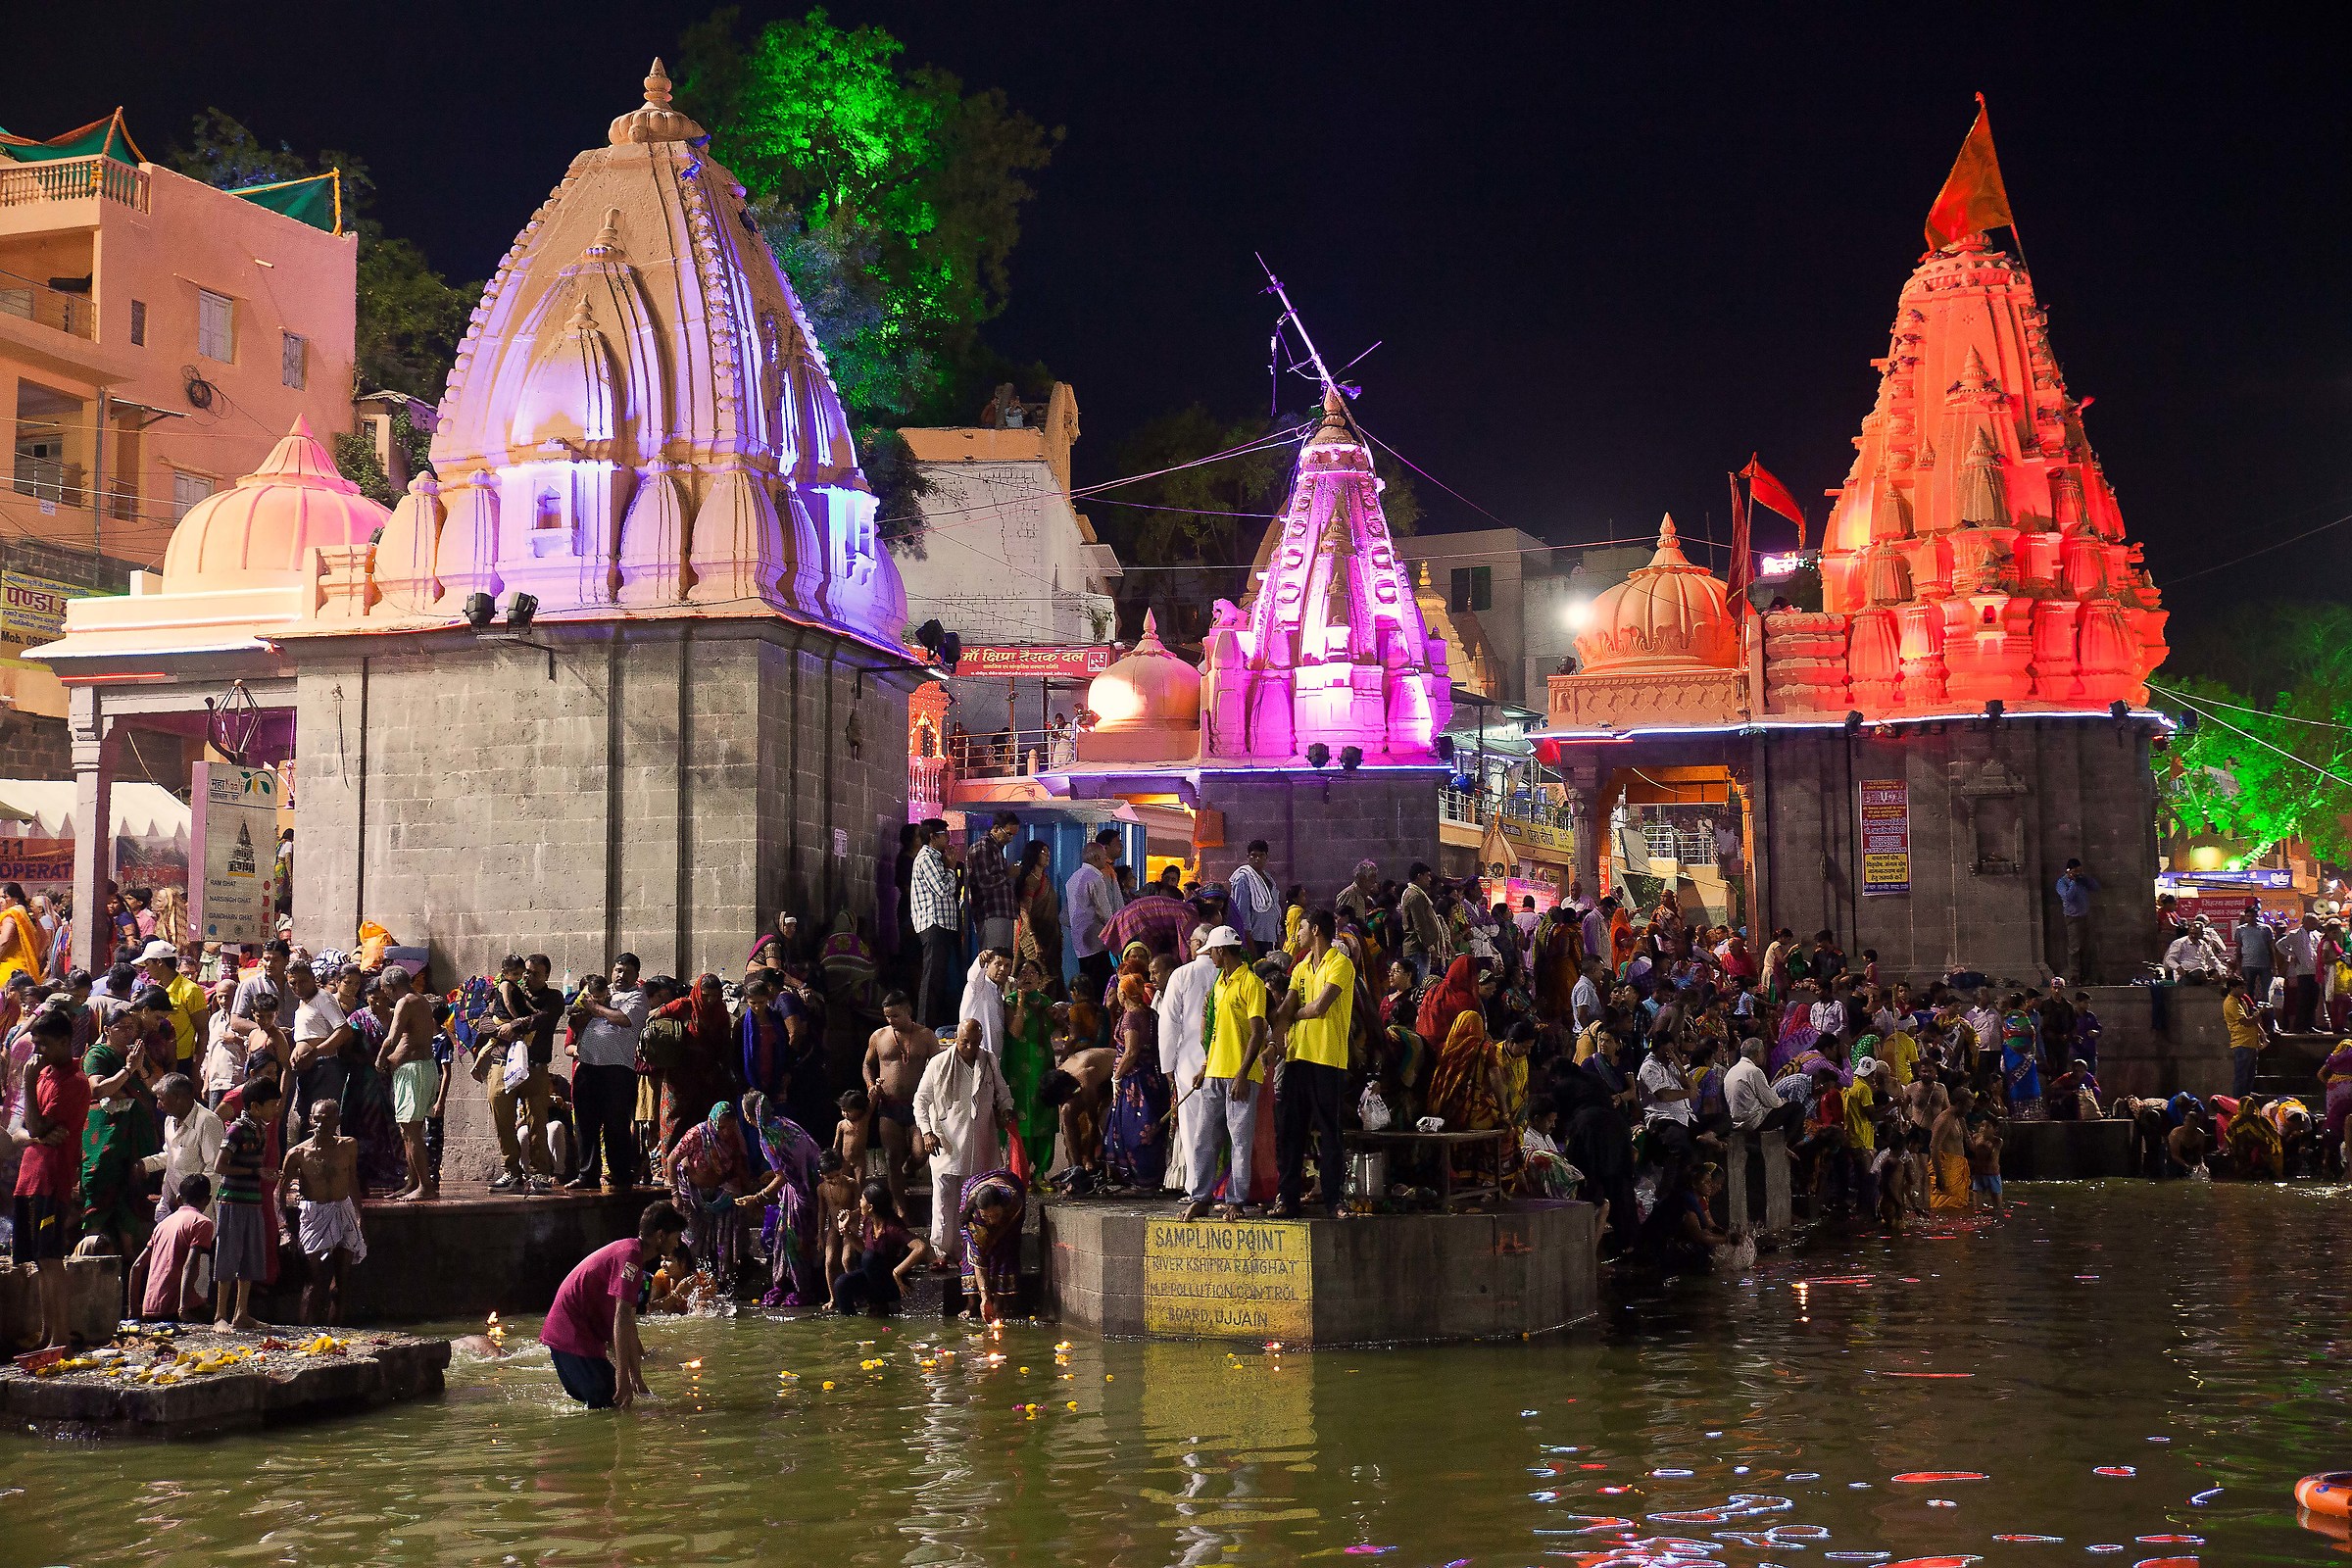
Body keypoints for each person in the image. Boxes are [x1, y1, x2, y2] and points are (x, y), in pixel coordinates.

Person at [540, 1201, 687, 1409]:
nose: (678, 1244)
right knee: (610, 1401)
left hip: (580, 1335)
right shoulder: (630, 1257)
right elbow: (622, 1316)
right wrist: (622, 1378)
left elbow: (628, 1326)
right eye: (676, 1237)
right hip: (570, 1334)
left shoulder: (632, 1255)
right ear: (660, 1235)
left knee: (615, 1403)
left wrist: (636, 1378)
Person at [10, 1010, 86, 1347]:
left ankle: (60, 1338)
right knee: (39, 1262)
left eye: (44, 1045)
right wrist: (33, 1136)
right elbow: (17, 1132)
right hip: (28, 1178)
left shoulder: (74, 1082)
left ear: (65, 1042)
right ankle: (46, 1334)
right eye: (35, 1045)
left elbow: (36, 1125)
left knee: (52, 1260)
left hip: (51, 1179)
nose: (38, 1053)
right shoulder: (45, 1075)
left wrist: (32, 1130)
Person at [911, 1018, 1016, 1266]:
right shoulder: (938, 1063)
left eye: (975, 1043)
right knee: (944, 1201)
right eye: (964, 1042)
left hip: (981, 1143)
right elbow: (921, 1101)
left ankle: (973, 1251)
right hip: (945, 1143)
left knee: (977, 1200)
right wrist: (927, 1132)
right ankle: (941, 1252)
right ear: (956, 1039)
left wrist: (1006, 1109)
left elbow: (1003, 1093)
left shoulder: (989, 1061)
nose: (970, 1047)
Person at [1183, 928, 1269, 1222]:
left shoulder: (1252, 983)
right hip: (1215, 1072)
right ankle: (1200, 1197)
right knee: (1204, 1138)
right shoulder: (1220, 983)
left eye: (1212, 952)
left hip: (1240, 1074)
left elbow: (1257, 1032)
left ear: (1222, 950)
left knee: (1240, 1140)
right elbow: (1217, 1031)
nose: (1211, 957)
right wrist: (1206, 1066)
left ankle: (1236, 1199)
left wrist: (1243, 1074)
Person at [1276, 907, 1353, 1218]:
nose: (1297, 932)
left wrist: (1292, 1014)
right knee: (1290, 1132)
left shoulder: (1341, 964)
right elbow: (1287, 1006)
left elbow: (1320, 1007)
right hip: (1297, 1057)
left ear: (1317, 930)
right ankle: (1288, 1199)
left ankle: (1335, 1201)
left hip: (1327, 1058)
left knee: (1330, 1132)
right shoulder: (1300, 967)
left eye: (1302, 927)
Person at [738, 1089, 825, 1308]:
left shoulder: (768, 1137)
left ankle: (803, 1290)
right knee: (786, 1237)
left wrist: (757, 1198)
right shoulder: (785, 1122)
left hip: (800, 1192)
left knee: (794, 1240)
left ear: (749, 1116)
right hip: (813, 1185)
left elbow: (783, 1176)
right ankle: (789, 1284)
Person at [280, 1099, 365, 1325]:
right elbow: (279, 1192)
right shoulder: (298, 1153)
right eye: (317, 1119)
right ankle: (306, 1336)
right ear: (310, 1120)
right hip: (314, 1214)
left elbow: (352, 1181)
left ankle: (338, 1336)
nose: (321, 1125)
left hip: (343, 1210)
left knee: (341, 1284)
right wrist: (283, 1228)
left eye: (328, 1120)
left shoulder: (348, 1145)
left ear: (338, 1120)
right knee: (314, 1282)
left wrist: (358, 1215)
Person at [210, 1073, 282, 1332]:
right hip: (232, 1200)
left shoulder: (260, 1130)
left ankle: (241, 1312)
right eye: (272, 1104)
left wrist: (266, 1174)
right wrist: (256, 1173)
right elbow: (221, 1166)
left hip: (253, 1201)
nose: (276, 1109)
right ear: (254, 1106)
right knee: (228, 1254)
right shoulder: (236, 1129)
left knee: (251, 1256)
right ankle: (220, 1314)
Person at [567, 956, 647, 1193]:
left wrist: (595, 1008)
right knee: (585, 1123)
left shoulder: (637, 996)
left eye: (628, 972)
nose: (621, 976)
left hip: (617, 1069)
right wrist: (583, 1010)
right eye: (618, 970)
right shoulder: (599, 990)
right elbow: (574, 1019)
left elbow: (625, 1019)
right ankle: (586, 1175)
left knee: (616, 1125)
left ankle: (621, 1175)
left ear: (636, 975)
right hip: (587, 1066)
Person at [662, 1102, 754, 1284]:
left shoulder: (735, 1136)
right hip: (692, 1194)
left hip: (721, 1192)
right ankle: (689, 1280)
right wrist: (675, 1194)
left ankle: (722, 1279)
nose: (725, 1132)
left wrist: (752, 1193)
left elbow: (739, 1163)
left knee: (725, 1238)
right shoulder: (697, 1134)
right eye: (721, 1127)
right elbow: (672, 1159)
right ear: (712, 1123)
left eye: (730, 1126)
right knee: (693, 1239)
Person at [862, 991, 936, 1207]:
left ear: (908, 1011)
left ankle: (909, 1168)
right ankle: (900, 1207)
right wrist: (870, 1084)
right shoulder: (879, 1036)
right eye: (887, 1016)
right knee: (892, 1156)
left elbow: (937, 1068)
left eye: (895, 1015)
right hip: (889, 1105)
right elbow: (867, 1064)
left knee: (920, 1154)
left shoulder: (926, 1035)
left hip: (918, 1107)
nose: (890, 1020)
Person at [379, 965, 442, 1201]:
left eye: (385, 988)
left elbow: (391, 1039)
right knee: (408, 1131)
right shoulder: (421, 1000)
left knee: (412, 1130)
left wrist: (379, 1061)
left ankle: (425, 1185)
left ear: (391, 986)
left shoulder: (404, 1002)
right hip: (423, 1067)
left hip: (413, 1070)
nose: (384, 993)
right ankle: (413, 1182)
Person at [1103, 969, 1171, 1190]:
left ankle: (1142, 1179)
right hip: (1153, 1077)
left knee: (1137, 1130)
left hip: (1137, 1083)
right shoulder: (1151, 1014)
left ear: (1123, 995)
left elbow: (1131, 1051)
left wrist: (1116, 1076)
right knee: (1151, 1126)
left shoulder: (1132, 1017)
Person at [828, 1179, 931, 1316]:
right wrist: (846, 1230)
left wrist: (897, 1272)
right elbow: (864, 1249)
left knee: (868, 1257)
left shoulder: (892, 1227)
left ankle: (880, 1304)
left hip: (889, 1281)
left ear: (870, 1207)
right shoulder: (868, 1222)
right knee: (841, 1283)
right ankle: (850, 1324)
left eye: (862, 1199)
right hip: (872, 1276)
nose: (859, 1202)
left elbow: (921, 1247)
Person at [130, 1174, 216, 1322]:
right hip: (174, 1307)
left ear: (178, 1198)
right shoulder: (202, 1223)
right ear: (207, 1200)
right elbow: (191, 1265)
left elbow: (136, 1267)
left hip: (149, 1307)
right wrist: (183, 1308)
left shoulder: (162, 1225)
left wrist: (133, 1311)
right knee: (218, 1317)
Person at [140, 1071, 223, 1221]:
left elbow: (214, 1170)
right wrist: (144, 1165)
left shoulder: (208, 1122)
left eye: (161, 1100)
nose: (158, 1106)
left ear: (178, 1099)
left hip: (198, 1211)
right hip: (170, 1203)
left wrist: (188, 1201)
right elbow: (171, 1156)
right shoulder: (169, 1121)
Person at [910, 819, 963, 1028]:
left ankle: (940, 1022)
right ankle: (924, 1025)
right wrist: (950, 868)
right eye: (944, 833)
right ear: (932, 836)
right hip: (934, 924)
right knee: (932, 977)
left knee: (943, 978)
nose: (948, 837)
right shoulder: (926, 859)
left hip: (946, 924)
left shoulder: (938, 858)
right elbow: (943, 889)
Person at [1065, 831, 1126, 1010]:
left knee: (1086, 981)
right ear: (1096, 857)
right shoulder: (1096, 877)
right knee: (1102, 984)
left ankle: (1086, 1013)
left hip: (1080, 941)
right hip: (1096, 939)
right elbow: (1104, 910)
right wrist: (1115, 931)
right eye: (1102, 856)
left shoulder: (1073, 878)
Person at [956, 1168, 1027, 1321]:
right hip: (973, 1189)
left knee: (1006, 1246)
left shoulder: (1013, 1201)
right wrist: (984, 1297)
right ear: (980, 1212)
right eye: (987, 1216)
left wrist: (995, 1237)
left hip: (1010, 1203)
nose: (992, 1220)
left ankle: (1001, 1303)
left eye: (995, 1215)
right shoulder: (973, 1217)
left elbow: (1005, 1229)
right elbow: (978, 1260)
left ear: (1002, 1207)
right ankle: (972, 1303)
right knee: (972, 1249)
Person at [140, 940, 210, 1071]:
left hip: (182, 1062)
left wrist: (195, 1067)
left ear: (159, 962)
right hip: (154, 1060)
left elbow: (203, 1031)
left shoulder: (190, 990)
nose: (146, 969)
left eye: (148, 964)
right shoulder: (154, 990)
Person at [967, 811, 1022, 955]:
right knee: (993, 960)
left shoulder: (997, 850)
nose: (1010, 839)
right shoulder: (982, 847)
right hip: (990, 913)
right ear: (996, 828)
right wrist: (1008, 874)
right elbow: (983, 882)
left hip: (1002, 913)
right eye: (1009, 834)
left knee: (1003, 959)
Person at [1013, 841, 1061, 989]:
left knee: (1052, 977)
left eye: (1048, 852)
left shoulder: (1044, 879)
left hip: (1049, 936)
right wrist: (1034, 939)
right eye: (1043, 852)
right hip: (1032, 935)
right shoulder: (1031, 880)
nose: (1047, 855)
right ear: (1033, 854)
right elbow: (1024, 911)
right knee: (1040, 975)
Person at [1229, 840, 1283, 954]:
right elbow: (1242, 914)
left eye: (1261, 855)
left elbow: (1275, 908)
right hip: (1254, 939)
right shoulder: (1243, 878)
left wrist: (1277, 939)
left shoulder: (1268, 878)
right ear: (1248, 857)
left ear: (1266, 857)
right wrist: (1250, 945)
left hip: (1269, 937)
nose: (1257, 859)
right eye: (1254, 855)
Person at [958, 948, 1011, 1058]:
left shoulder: (1001, 992)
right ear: (987, 966)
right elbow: (973, 976)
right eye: (998, 964)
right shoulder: (978, 986)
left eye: (1007, 966)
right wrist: (980, 960)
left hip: (994, 1059)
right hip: (974, 1056)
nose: (1002, 969)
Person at [2223, 975, 2266, 1098]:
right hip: (2242, 1043)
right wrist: (2260, 1013)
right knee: (2241, 1078)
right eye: (2240, 988)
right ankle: (2238, 1103)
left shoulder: (2241, 1001)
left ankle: (2246, 1101)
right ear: (2232, 988)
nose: (2243, 991)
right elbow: (2246, 1022)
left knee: (2250, 1077)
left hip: (2251, 1043)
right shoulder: (2230, 1002)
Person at [0, 881, 46, 988]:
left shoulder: (11, 915)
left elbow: (4, 940)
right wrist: (35, 958)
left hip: (9, 969)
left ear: (15, 899)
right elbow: (44, 938)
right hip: (26, 968)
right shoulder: (28, 914)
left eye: (4, 897)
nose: (0, 901)